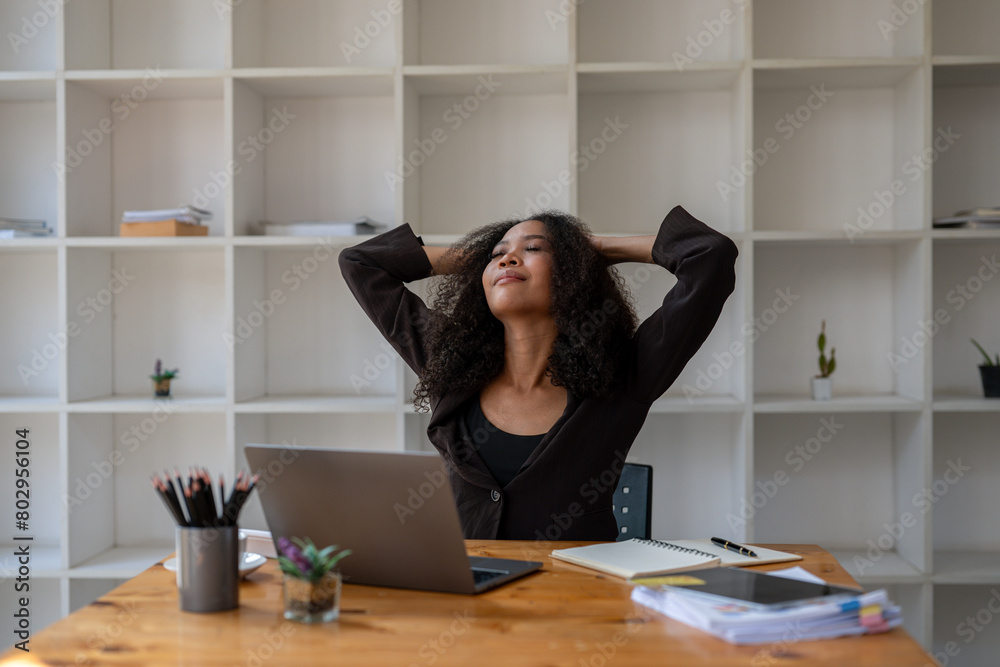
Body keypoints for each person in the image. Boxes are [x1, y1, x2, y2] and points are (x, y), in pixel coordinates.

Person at [339, 205, 738, 540]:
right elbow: (360, 263)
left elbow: (710, 255)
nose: (508, 258)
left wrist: (592, 250)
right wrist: (482, 258)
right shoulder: (449, 361)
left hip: (577, 604)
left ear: (573, 274)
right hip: (466, 598)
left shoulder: (627, 372)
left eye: (533, 249)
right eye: (498, 254)